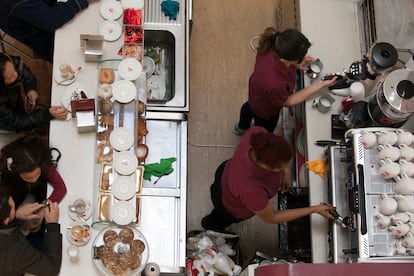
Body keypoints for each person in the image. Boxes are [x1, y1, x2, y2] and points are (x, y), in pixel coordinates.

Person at [202, 126, 335, 231]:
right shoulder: (250, 189)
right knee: (218, 219)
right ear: (264, 165)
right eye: (281, 167)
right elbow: (272, 217)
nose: (285, 168)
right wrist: (315, 209)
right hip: (229, 206)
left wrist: (286, 171)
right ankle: (209, 226)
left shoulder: (258, 135)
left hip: (226, 171)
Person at [233, 28, 338, 134]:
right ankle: (252, 139)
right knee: (263, 130)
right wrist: (318, 85)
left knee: (249, 108)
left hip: (255, 93)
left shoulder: (274, 43)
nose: (302, 59)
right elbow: (288, 102)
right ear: (284, 60)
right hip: (265, 110)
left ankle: (241, 127)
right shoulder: (274, 84)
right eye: (299, 58)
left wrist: (296, 63)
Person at [0, 0, 90, 62]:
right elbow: (51, 20)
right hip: (33, 31)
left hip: (41, 11)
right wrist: (79, 2)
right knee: (73, 57)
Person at [0, 53, 67, 132]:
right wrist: (47, 114)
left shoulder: (4, 62)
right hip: (13, 116)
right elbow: (19, 125)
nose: (16, 74)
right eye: (10, 76)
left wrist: (30, 88)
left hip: (17, 95)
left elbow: (22, 68)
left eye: (14, 69)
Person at [0, 191, 62, 276]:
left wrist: (16, 215)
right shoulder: (14, 253)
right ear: (6, 220)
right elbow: (52, 268)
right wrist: (52, 225)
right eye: (14, 208)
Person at [0, 135, 67, 208]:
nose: (34, 179)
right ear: (15, 171)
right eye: (28, 177)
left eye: (37, 173)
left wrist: (44, 206)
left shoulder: (43, 163)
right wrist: (16, 213)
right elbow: (5, 206)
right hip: (17, 194)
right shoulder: (8, 176)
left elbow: (61, 187)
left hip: (39, 191)